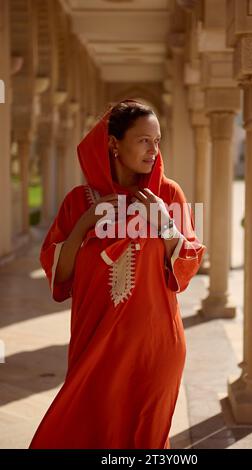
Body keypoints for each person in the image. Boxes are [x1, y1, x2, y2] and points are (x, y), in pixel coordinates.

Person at [29, 99, 206, 449]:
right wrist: (83, 225)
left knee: (145, 441)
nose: (154, 151)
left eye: (157, 142)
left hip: (156, 348)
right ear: (113, 144)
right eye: (143, 140)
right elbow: (60, 276)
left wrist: (165, 223)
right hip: (95, 344)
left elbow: (186, 268)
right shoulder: (78, 202)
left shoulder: (167, 195)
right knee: (81, 432)